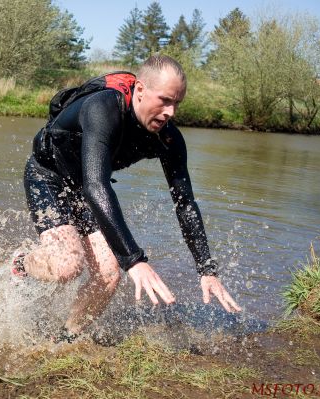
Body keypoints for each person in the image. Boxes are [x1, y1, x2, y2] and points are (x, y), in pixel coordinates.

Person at [13, 55, 242, 343]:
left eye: (177, 104)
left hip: (87, 187)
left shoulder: (168, 138)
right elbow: (97, 187)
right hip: (49, 175)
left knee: (109, 275)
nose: (171, 112)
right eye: (165, 100)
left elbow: (185, 203)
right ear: (141, 89)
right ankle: (21, 263)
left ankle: (66, 339)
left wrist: (206, 269)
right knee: (67, 266)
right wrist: (134, 260)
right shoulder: (103, 108)